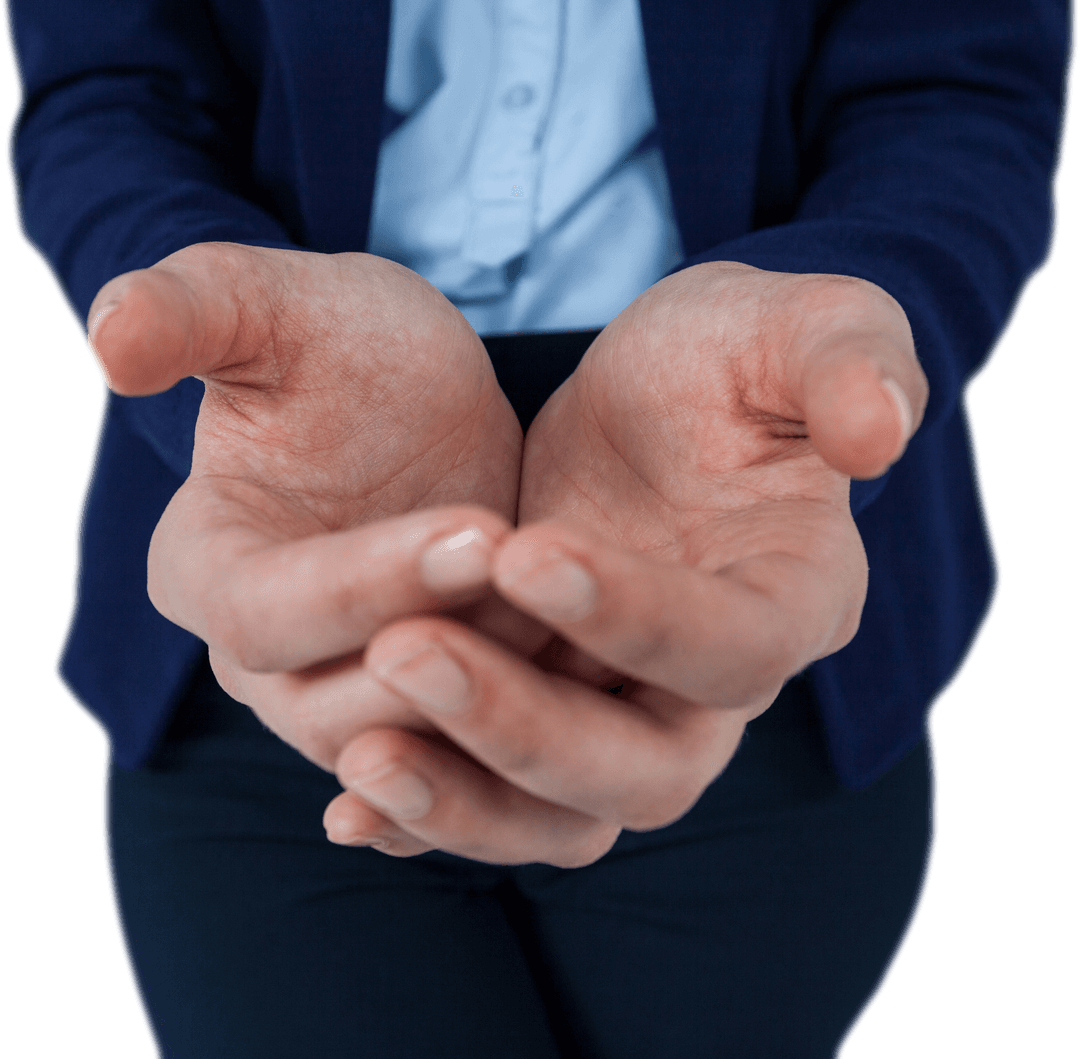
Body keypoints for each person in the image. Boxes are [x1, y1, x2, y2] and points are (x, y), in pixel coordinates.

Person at [5, 0, 1070, 1056]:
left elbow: (957, 89)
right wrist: (222, 342)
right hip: (288, 522)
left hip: (741, 537)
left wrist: (839, 339)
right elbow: (109, 89)